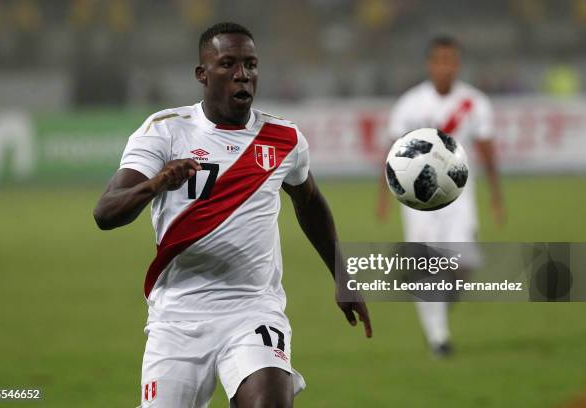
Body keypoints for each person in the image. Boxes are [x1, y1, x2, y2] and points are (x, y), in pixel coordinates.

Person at [93, 22, 372, 408]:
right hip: (178, 316)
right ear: (202, 74)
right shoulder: (165, 131)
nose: (243, 75)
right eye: (228, 64)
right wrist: (155, 184)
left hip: (253, 309)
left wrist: (342, 276)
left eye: (251, 65)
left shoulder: (284, 139)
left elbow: (309, 202)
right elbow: (106, 212)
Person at [378, 36, 504, 356]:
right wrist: (382, 196)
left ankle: (441, 301)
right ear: (429, 64)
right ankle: (439, 337)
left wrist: (496, 196)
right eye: (439, 60)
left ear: (458, 64)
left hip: (460, 197)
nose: (444, 66)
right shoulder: (410, 104)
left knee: (464, 264)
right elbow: (392, 151)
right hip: (420, 200)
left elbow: (487, 149)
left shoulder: (474, 103)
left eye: (451, 60)